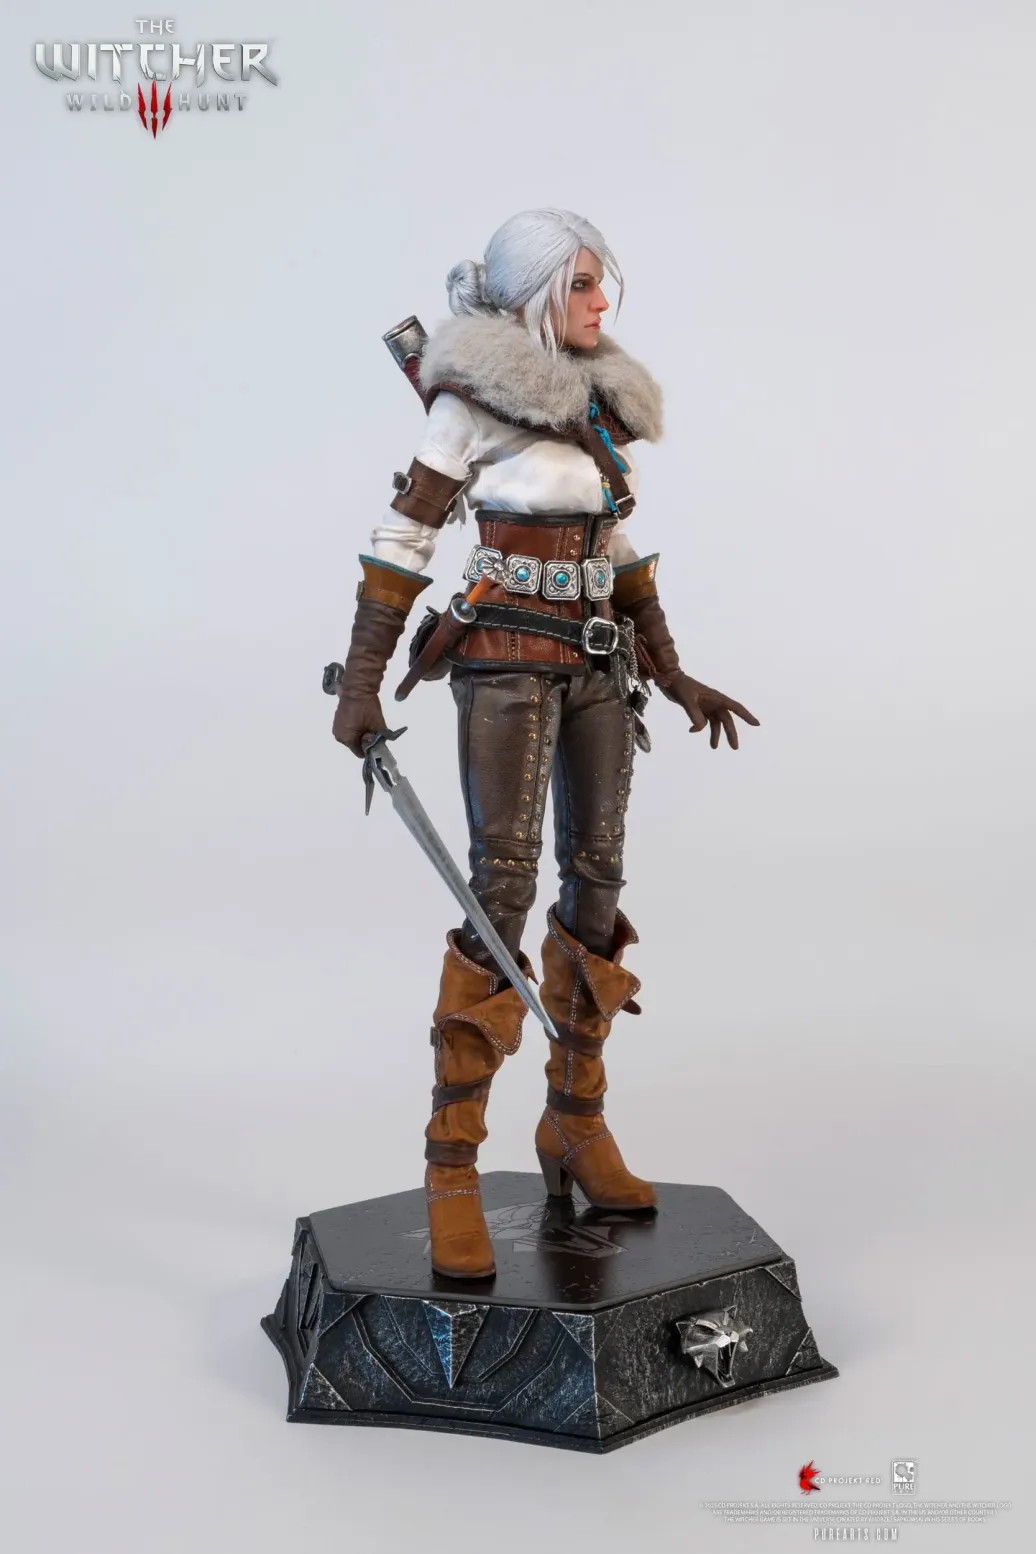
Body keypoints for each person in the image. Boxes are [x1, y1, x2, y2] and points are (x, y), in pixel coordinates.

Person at [331, 209, 758, 1280]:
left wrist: (673, 670)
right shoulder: (466, 401)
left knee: (598, 882)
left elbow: (617, 547)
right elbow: (405, 537)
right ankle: (450, 1165)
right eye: (580, 284)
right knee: (504, 887)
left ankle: (574, 1121)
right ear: (532, 296)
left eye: (601, 284)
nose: (599, 302)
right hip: (506, 667)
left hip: (601, 668)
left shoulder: (592, 408)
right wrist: (364, 681)